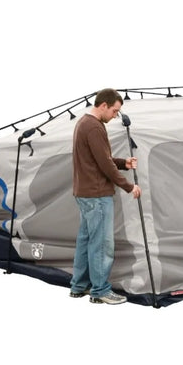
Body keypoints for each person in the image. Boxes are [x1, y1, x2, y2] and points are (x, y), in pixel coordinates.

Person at [70, 88, 141, 304]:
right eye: (114, 111)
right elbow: (105, 165)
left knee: (86, 241)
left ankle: (79, 286)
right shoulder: (94, 127)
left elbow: (101, 159)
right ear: (103, 105)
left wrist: (123, 163)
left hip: (84, 193)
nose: (115, 115)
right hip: (97, 195)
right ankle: (100, 291)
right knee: (101, 244)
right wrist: (129, 186)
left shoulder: (83, 123)